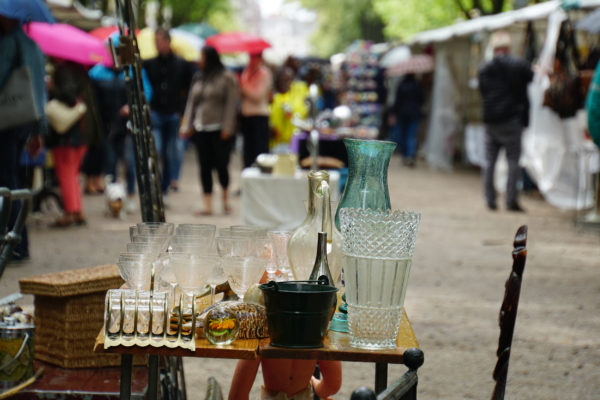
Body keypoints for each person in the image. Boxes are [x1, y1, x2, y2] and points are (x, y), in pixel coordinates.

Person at [0, 15, 46, 261]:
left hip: (6, 122)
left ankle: (15, 245)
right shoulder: (32, 44)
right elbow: (40, 91)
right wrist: (39, 131)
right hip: (24, 122)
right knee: (13, 180)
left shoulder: (8, 42)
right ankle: (18, 244)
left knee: (7, 184)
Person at [478, 31, 533, 212]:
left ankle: (490, 199)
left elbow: (483, 92)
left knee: (489, 161)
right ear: (508, 47)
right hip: (512, 119)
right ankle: (511, 200)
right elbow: (531, 77)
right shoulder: (518, 65)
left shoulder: (484, 68)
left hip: (491, 119)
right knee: (513, 161)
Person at [180, 46, 239, 216]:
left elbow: (231, 104)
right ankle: (207, 205)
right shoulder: (199, 78)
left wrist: (228, 127)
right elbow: (192, 103)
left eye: (202, 56)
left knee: (222, 165)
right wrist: (186, 125)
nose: (200, 60)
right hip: (201, 129)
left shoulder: (227, 78)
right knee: (204, 167)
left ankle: (225, 201)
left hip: (220, 129)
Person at [45, 60, 100, 227]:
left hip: (67, 134)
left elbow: (68, 96)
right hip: (82, 132)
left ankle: (70, 211)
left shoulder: (63, 72)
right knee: (73, 174)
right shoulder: (82, 72)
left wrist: (52, 88)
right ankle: (77, 210)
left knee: (66, 173)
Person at [143, 27, 194, 196]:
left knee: (170, 153)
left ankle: (164, 187)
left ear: (167, 41)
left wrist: (182, 111)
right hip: (156, 112)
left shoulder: (181, 64)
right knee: (155, 149)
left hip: (173, 114)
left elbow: (188, 89)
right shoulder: (149, 64)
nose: (157, 44)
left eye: (159, 41)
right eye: (155, 41)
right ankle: (154, 185)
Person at [229, 358, 341, 400]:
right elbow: (332, 386)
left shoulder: (262, 333)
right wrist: (316, 385)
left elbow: (237, 396)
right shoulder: (318, 332)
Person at [240, 50, 273, 168]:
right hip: (247, 117)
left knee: (259, 153)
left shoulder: (264, 73)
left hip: (259, 117)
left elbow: (257, 96)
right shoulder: (246, 73)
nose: (252, 60)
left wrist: (243, 86)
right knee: (247, 153)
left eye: (254, 57)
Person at [389, 73, 425, 167]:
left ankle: (406, 155)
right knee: (411, 135)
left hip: (402, 113)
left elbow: (397, 101)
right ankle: (410, 155)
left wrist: (394, 113)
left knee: (403, 135)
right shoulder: (418, 85)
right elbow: (422, 100)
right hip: (414, 114)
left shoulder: (401, 85)